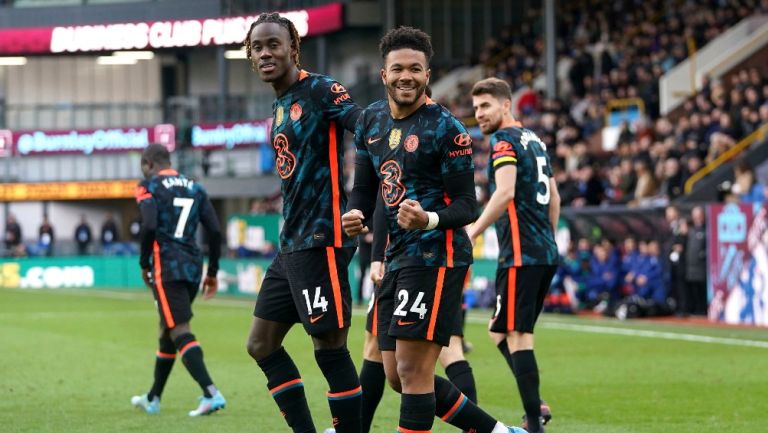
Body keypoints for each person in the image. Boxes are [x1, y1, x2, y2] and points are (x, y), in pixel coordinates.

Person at [343, 26, 524, 433]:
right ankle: (498, 431)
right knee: (394, 374)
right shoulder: (369, 121)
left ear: (427, 74)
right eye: (398, 68)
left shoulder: (448, 129)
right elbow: (364, 190)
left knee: (412, 372)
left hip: (436, 258)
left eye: (415, 69)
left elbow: (466, 204)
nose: (406, 76)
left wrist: (429, 218)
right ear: (383, 74)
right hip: (396, 257)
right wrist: (352, 216)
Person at [243, 12, 363, 433]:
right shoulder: (278, 106)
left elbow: (364, 129)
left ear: (293, 48)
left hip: (322, 238)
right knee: (260, 344)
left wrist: (363, 201)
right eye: (257, 48)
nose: (265, 53)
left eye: (273, 44)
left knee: (329, 347)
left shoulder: (321, 90)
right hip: (291, 243)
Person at [329, 197, 479, 433]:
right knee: (436, 357)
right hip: (436, 257)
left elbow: (383, 200)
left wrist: (377, 256)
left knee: (393, 359)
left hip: (414, 260)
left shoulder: (400, 165)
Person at [466, 77, 560, 433]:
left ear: (506, 105)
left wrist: (472, 232)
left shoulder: (504, 142)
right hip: (540, 253)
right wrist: (549, 239)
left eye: (486, 106)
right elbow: (555, 196)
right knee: (498, 330)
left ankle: (534, 423)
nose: (480, 114)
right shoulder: (534, 139)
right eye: (476, 108)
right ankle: (536, 405)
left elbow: (504, 193)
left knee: (519, 336)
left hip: (522, 255)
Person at [130, 144, 225, 416]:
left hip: (167, 267)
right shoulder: (195, 186)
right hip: (193, 267)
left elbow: (149, 224)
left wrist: (144, 262)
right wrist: (213, 272)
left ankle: (211, 392)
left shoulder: (148, 186)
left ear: (148, 163)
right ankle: (153, 397)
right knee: (167, 330)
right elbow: (215, 232)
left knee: (179, 328)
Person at [685, 206, 708, 315]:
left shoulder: (707, 229)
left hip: (702, 266)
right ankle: (695, 309)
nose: (696, 218)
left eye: (698, 215)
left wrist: (702, 254)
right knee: (693, 289)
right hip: (691, 265)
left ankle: (703, 310)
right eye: (695, 215)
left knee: (702, 289)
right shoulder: (691, 230)